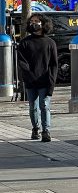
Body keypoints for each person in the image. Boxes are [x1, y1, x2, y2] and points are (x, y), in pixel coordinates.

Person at [16, 13, 58, 142]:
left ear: (43, 23)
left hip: (45, 80)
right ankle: (35, 128)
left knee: (44, 105)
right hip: (30, 80)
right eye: (32, 21)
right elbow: (22, 61)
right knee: (32, 106)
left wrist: (51, 81)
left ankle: (46, 130)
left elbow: (53, 64)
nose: (34, 23)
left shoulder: (50, 43)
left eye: (37, 21)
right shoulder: (24, 43)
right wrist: (28, 75)